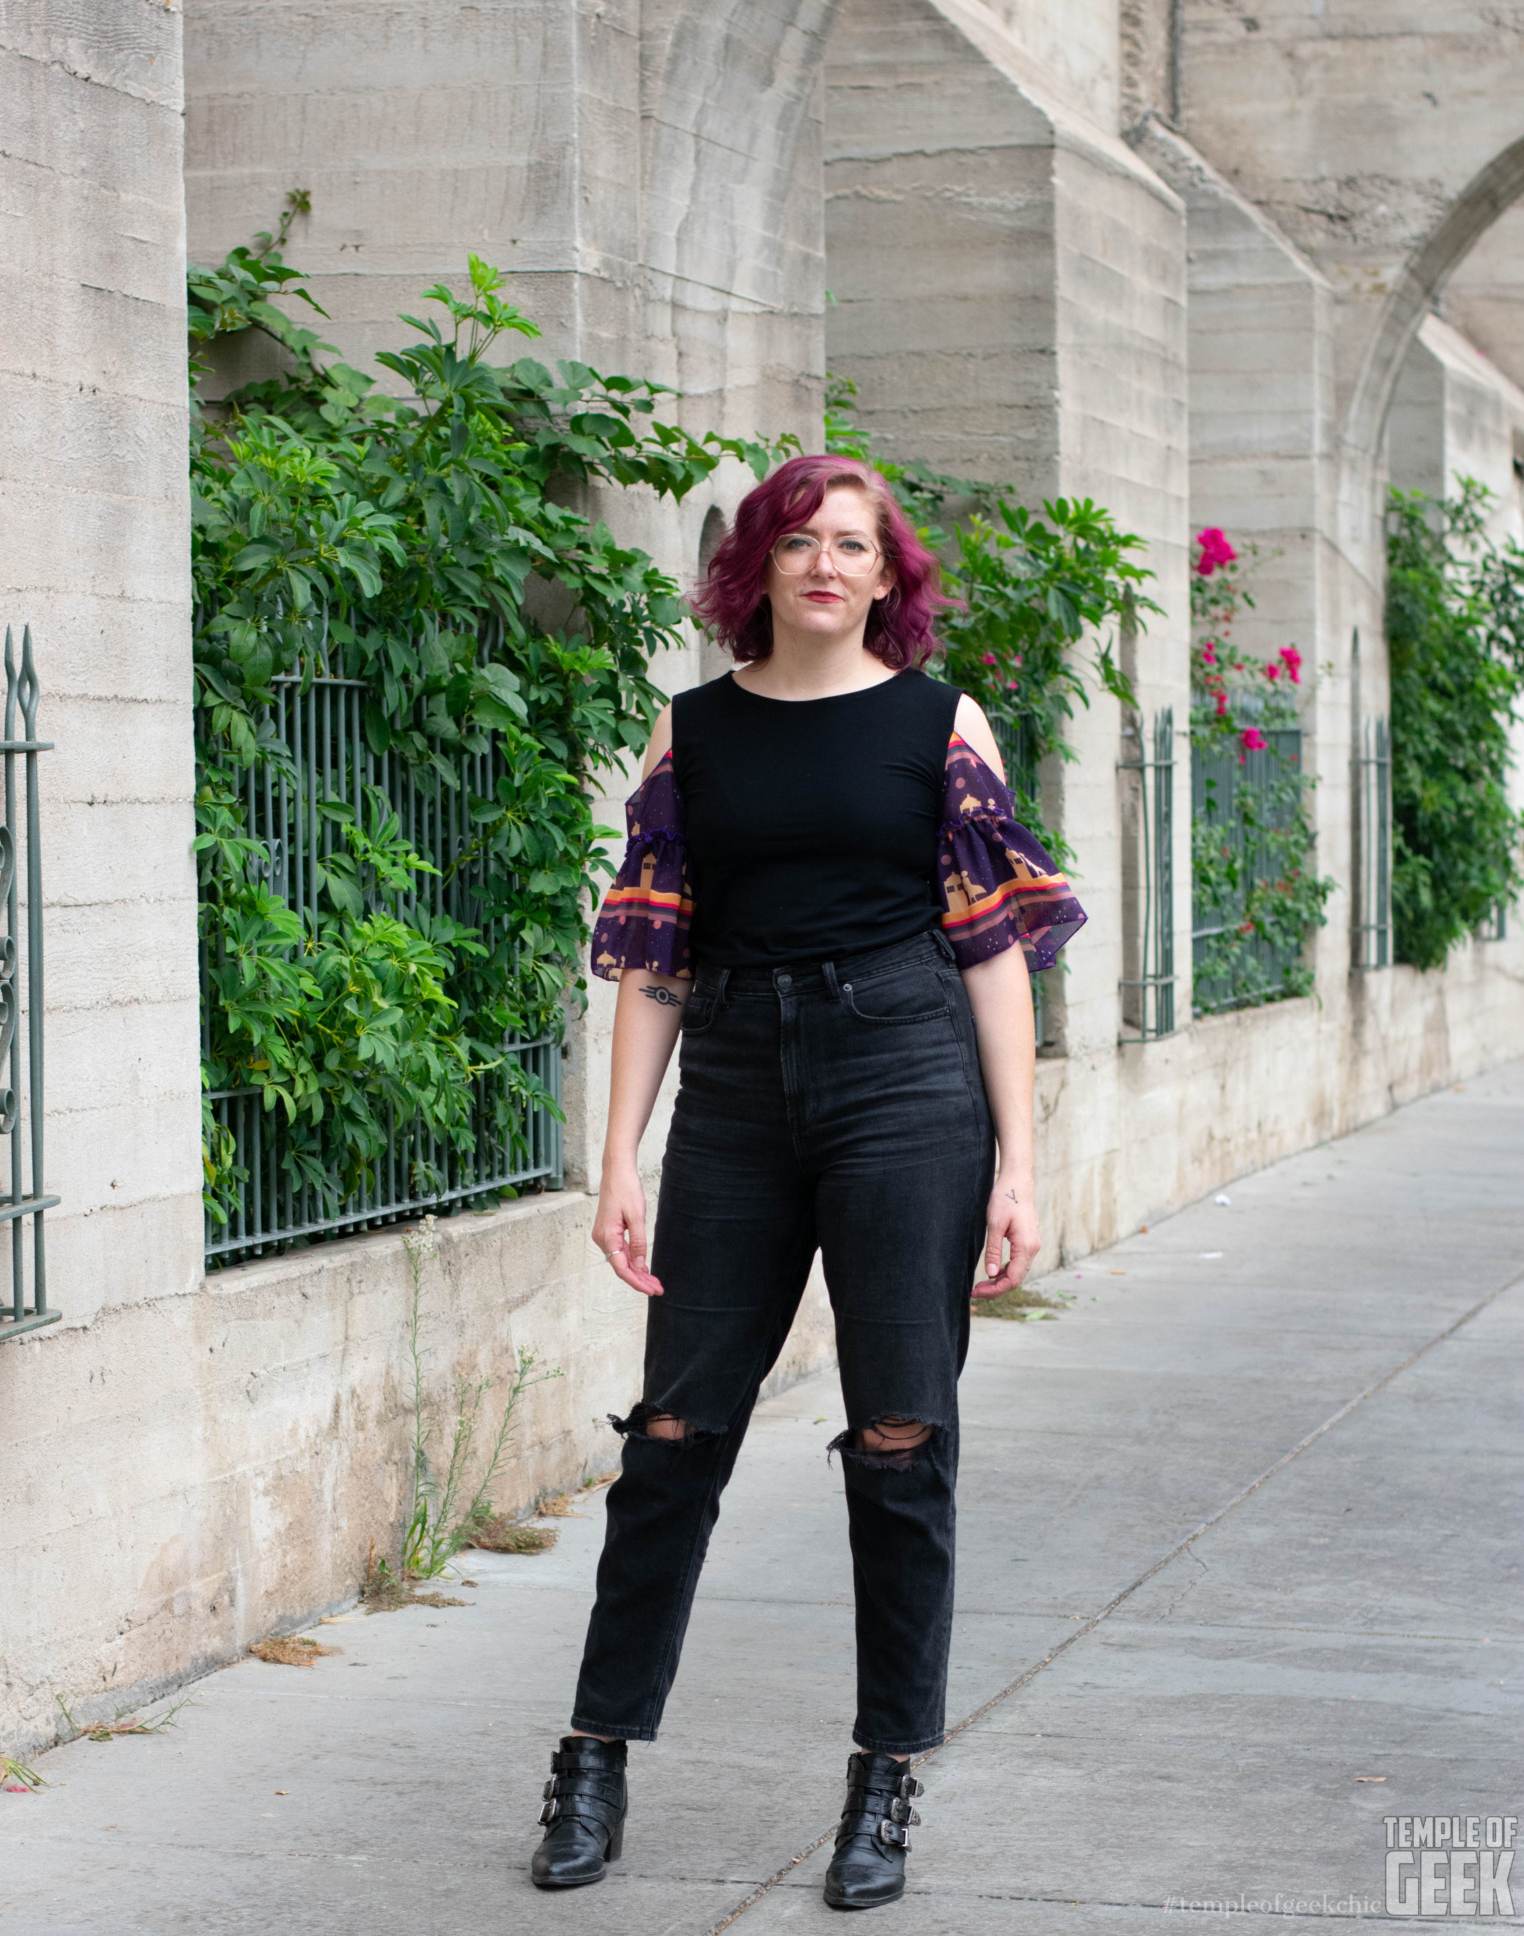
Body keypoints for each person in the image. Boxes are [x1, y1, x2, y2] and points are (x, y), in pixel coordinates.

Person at [530, 454, 1085, 1908]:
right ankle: (591, 1760)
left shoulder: (935, 723)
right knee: (669, 1437)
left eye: (853, 545)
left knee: (901, 1442)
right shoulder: (693, 734)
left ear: (885, 574)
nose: (825, 566)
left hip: (905, 1085)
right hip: (730, 1094)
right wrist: (617, 1161)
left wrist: (1018, 1165)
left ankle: (884, 1782)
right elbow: (651, 957)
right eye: (799, 541)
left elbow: (992, 955)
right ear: (757, 567)